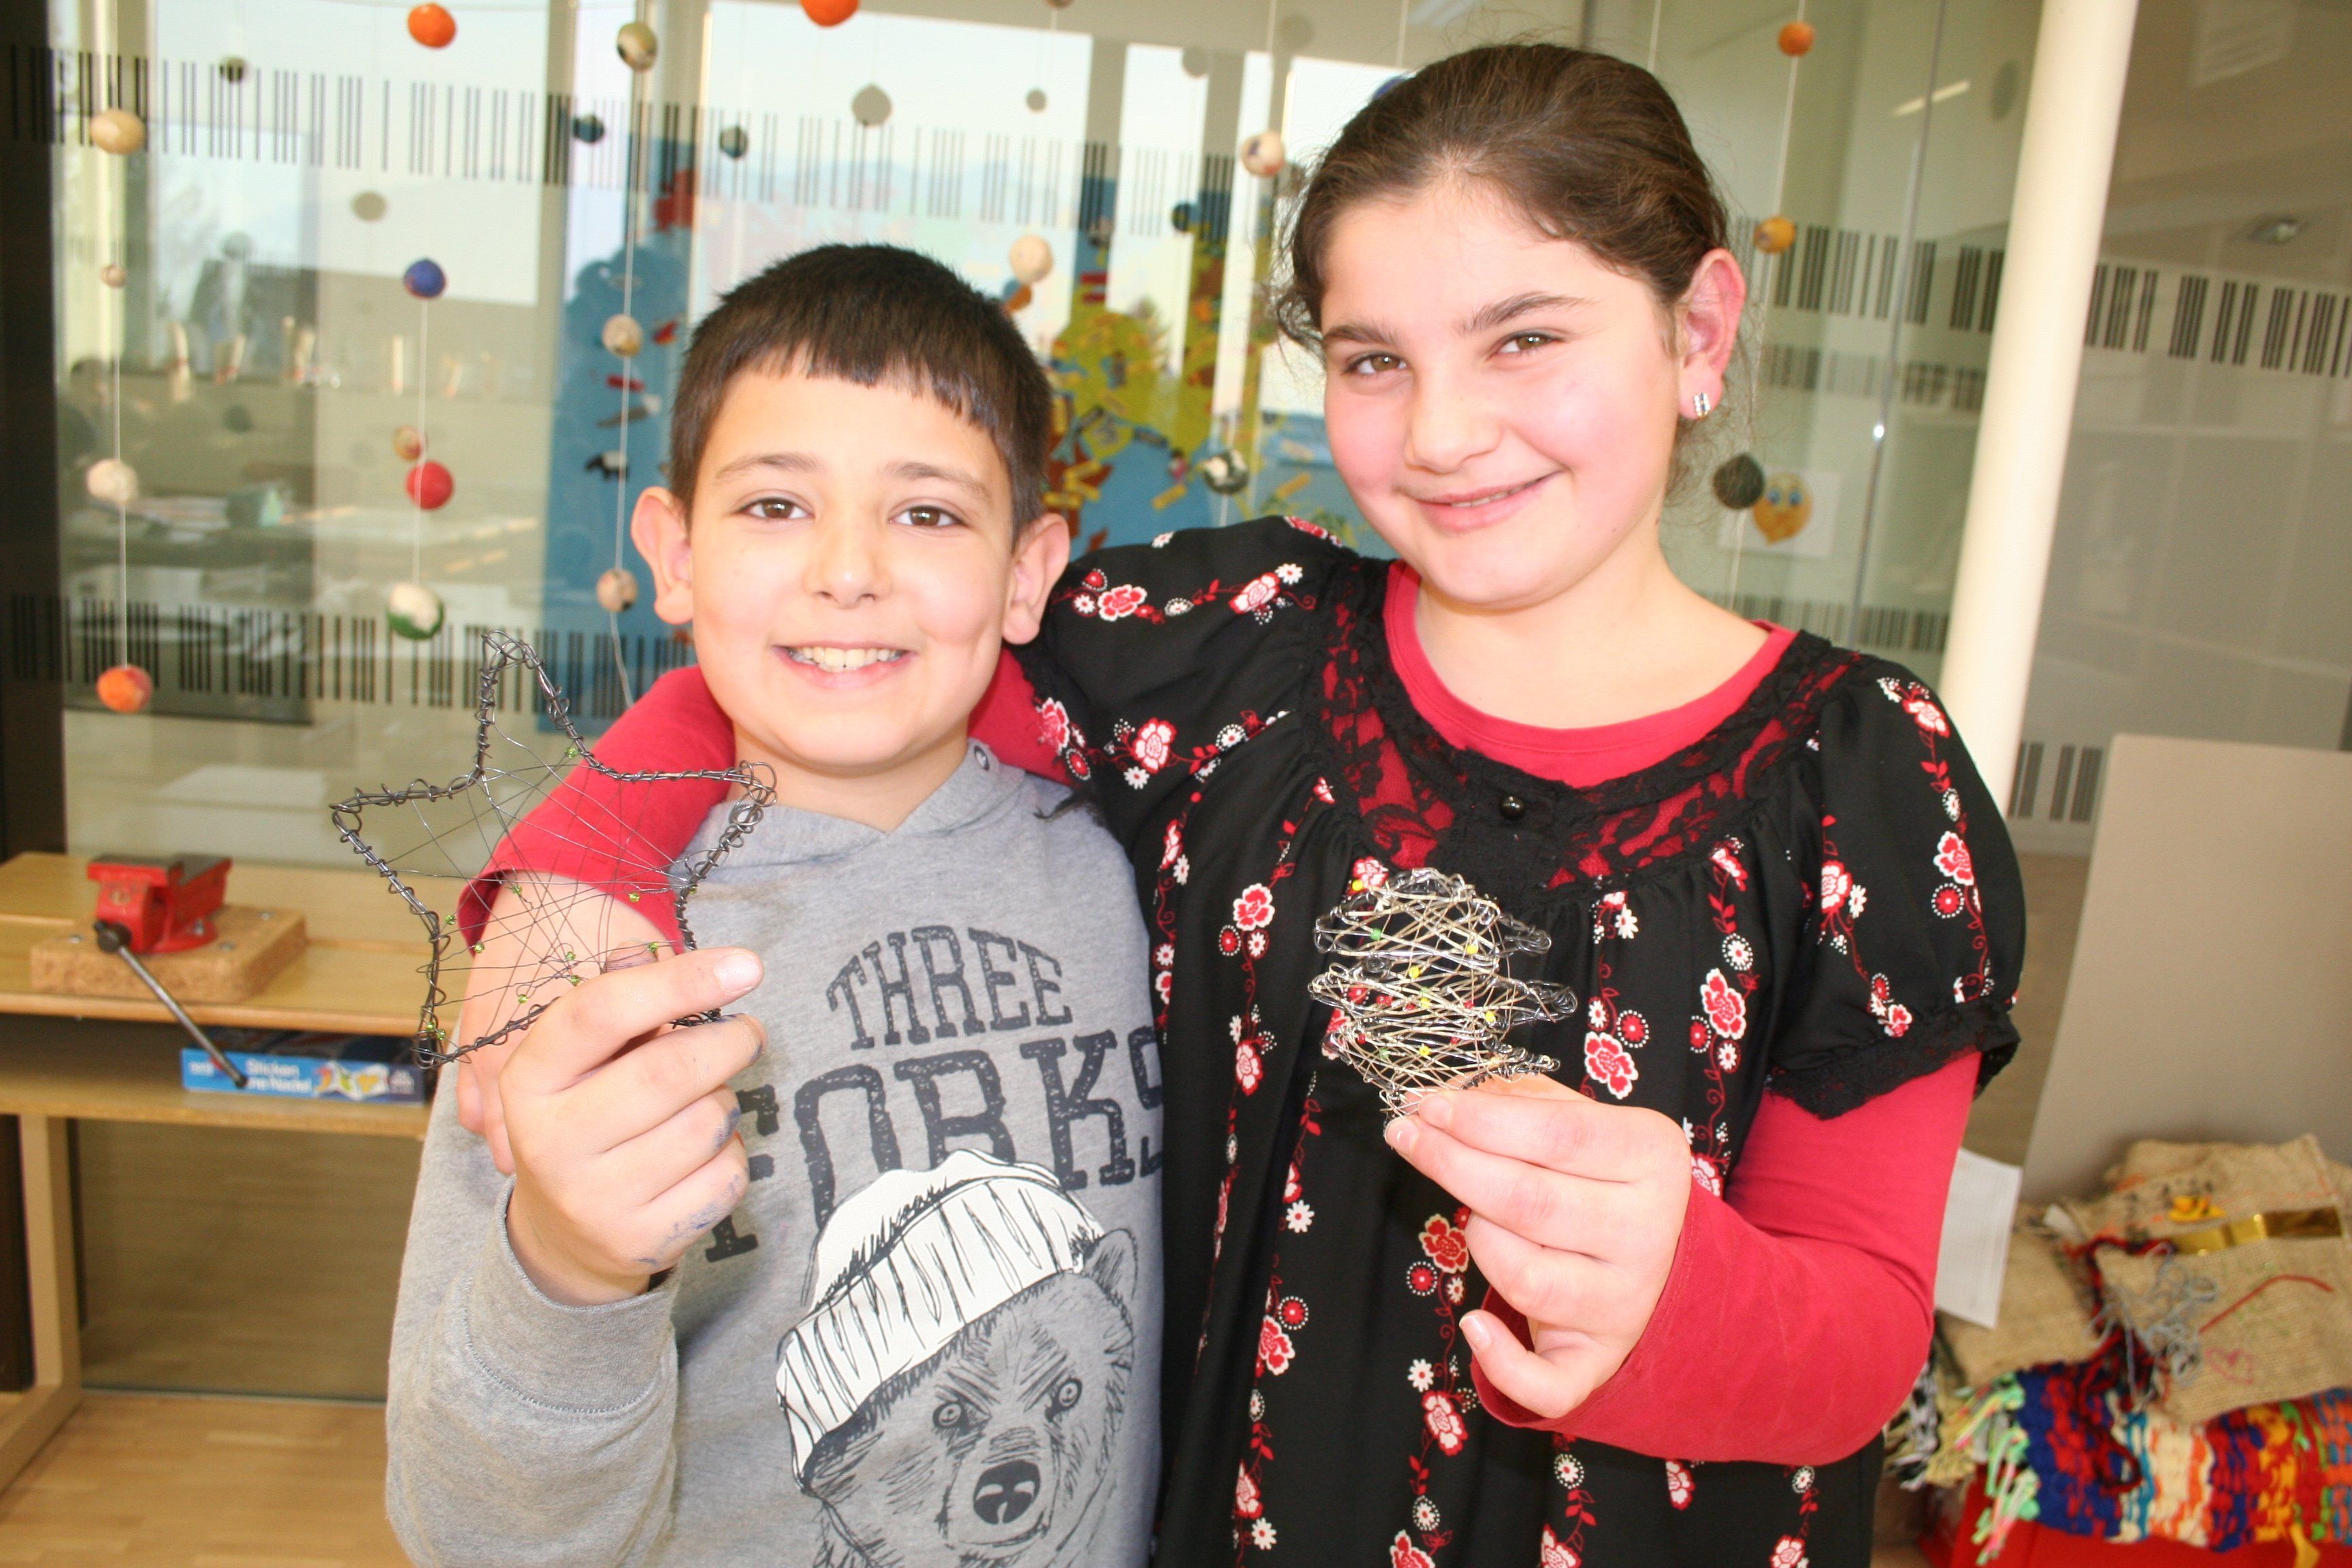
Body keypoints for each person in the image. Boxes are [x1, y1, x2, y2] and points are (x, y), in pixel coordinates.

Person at [463, 44, 2025, 1568]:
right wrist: (580, 861)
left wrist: (1684, 1292)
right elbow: (855, 660)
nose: (1441, 431)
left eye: (1525, 339)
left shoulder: (1861, 777)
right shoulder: (1219, 659)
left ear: (1699, 328)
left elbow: (1868, 1332)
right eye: (1373, 359)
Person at [384, 245, 1165, 1568]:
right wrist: (569, 1263)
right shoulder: (584, 955)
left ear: (1028, 570)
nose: (847, 571)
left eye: (928, 514)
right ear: (674, 554)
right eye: (774, 506)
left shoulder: (1146, 873)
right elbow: (473, 1531)